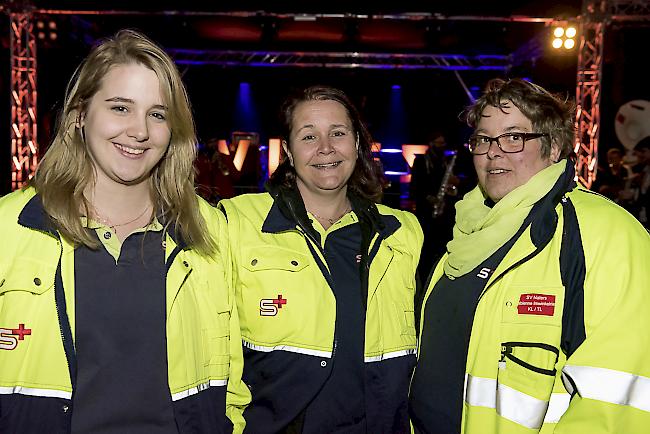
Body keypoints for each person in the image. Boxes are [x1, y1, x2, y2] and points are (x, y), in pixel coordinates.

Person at [0, 29, 249, 433]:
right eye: (120, 108)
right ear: (80, 114)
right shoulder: (11, 227)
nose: (140, 131)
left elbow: (231, 380)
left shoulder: (207, 231)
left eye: (157, 114)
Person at [409, 78, 650, 433]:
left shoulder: (604, 232)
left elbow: (620, 399)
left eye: (513, 137)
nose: (493, 152)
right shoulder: (465, 235)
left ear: (553, 148)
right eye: (484, 139)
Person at [218, 85, 423, 433]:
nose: (326, 148)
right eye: (309, 136)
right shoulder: (237, 222)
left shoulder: (400, 231)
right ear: (288, 151)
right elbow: (215, 350)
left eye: (338, 133)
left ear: (357, 144)